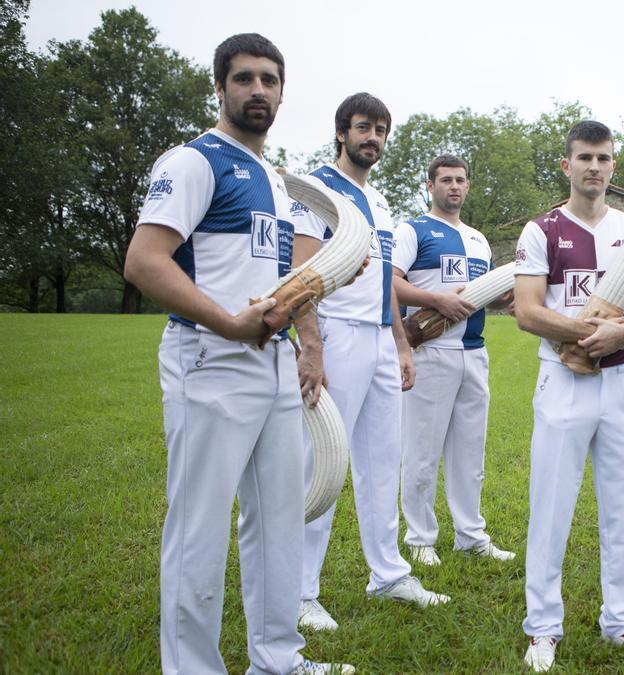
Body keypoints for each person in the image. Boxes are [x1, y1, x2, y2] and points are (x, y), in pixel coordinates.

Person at [124, 33, 354, 674]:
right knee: (198, 528)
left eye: (270, 80)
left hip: (273, 364)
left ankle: (278, 662)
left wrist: (321, 303)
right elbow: (144, 262)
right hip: (209, 360)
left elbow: (285, 281)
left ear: (283, 93)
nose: (259, 90)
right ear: (220, 87)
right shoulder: (195, 161)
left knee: (278, 522)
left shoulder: (277, 184)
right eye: (245, 78)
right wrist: (227, 324)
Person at [292, 93, 450, 634]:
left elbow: (386, 282)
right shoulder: (317, 188)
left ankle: (387, 573)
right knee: (323, 465)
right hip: (335, 336)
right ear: (342, 133)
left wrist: (401, 344)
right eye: (364, 128)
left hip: (381, 339)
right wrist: (310, 344)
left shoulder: (379, 201)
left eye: (381, 130)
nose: (373, 138)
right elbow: (301, 270)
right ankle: (299, 593)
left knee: (383, 462)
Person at [512, 120, 624, 671]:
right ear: (567, 165)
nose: (594, 167)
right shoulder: (543, 229)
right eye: (584, 158)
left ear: (613, 167)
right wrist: (585, 333)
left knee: (622, 508)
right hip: (564, 382)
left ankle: (622, 623)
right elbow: (527, 311)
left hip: (622, 382)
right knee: (550, 507)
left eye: (603, 158)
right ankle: (542, 629)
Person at [392, 154, 515, 565]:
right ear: (430, 186)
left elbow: (491, 294)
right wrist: (435, 300)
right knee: (423, 450)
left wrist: (509, 299)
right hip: (430, 351)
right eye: (446, 180)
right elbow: (389, 283)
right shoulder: (413, 230)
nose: (454, 187)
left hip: (474, 353)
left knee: (470, 450)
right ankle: (421, 538)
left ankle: (471, 535)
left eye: (461, 180)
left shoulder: (479, 239)